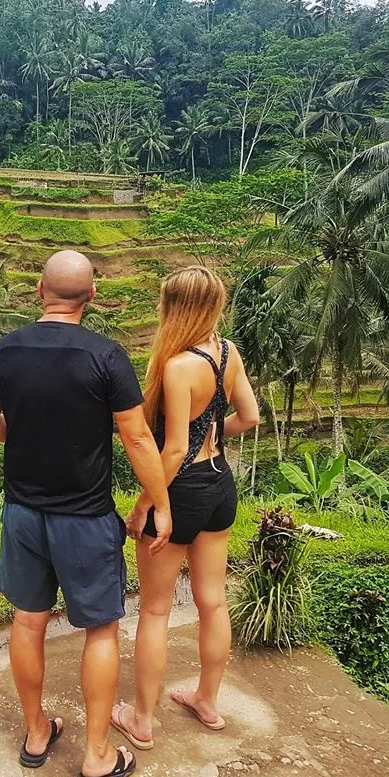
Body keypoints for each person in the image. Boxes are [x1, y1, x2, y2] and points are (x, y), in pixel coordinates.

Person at [0, 250, 172, 777]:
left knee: (28, 621)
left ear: (40, 290)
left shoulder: (6, 350)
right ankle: (98, 756)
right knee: (100, 629)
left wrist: (33, 435)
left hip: (22, 515)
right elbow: (135, 438)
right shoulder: (106, 355)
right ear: (92, 298)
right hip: (84, 519)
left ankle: (37, 734)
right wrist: (159, 501)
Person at [113, 266, 260, 750]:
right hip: (220, 483)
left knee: (154, 611)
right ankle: (207, 700)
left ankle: (142, 719)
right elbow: (250, 416)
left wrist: (143, 506)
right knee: (212, 600)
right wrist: (214, 436)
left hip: (180, 489)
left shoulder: (177, 366)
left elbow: (172, 451)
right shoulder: (227, 352)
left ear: (172, 307)